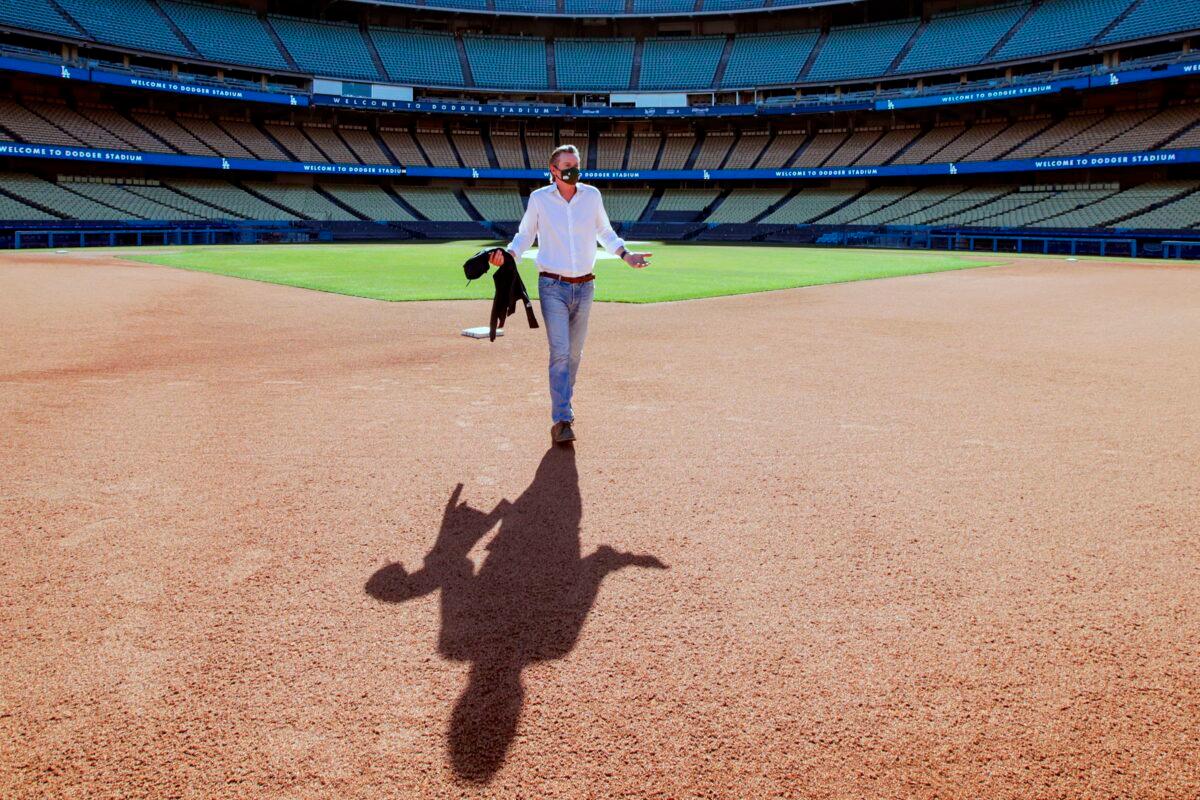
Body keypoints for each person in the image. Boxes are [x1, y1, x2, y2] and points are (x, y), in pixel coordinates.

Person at [489, 144, 651, 444]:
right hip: (552, 285)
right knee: (560, 352)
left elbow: (604, 231)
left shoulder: (591, 196)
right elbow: (525, 234)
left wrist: (624, 254)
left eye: (576, 165)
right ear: (553, 169)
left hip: (586, 286)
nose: (573, 170)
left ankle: (565, 403)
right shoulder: (539, 199)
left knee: (574, 354)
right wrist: (509, 254)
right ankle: (562, 418)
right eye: (567, 165)